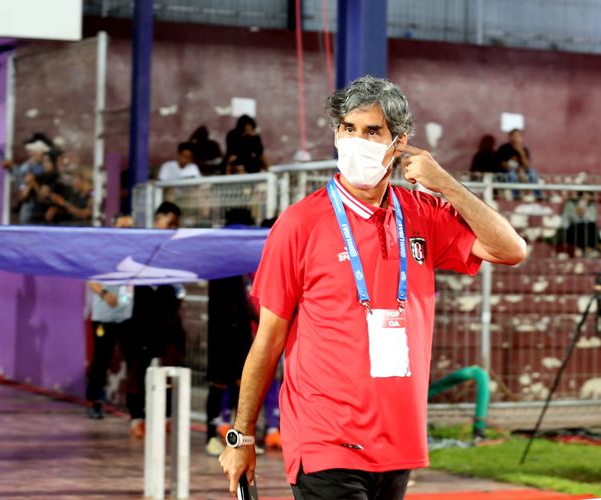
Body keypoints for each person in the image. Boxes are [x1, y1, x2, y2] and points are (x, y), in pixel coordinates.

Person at [218, 76, 526, 499]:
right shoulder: (299, 224)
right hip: (325, 441)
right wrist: (242, 437)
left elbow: (511, 249)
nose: (356, 140)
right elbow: (268, 340)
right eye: (348, 128)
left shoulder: (423, 213)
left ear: (397, 144)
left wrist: (446, 184)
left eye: (372, 131)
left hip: (399, 444)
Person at [126, 202, 186, 438]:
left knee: (171, 369)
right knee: (137, 370)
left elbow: (180, 288)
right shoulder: (139, 247)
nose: (172, 229)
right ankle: (136, 418)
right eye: (169, 223)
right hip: (141, 318)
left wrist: (174, 311)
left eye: (176, 226)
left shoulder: (176, 251)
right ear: (157, 219)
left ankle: (167, 417)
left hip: (167, 319)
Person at [205, 209, 258, 456]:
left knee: (241, 383)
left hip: (241, 332)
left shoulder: (243, 264)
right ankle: (210, 435)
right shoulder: (219, 262)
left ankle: (238, 440)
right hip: (221, 332)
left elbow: (245, 300)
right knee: (218, 383)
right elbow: (222, 304)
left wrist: (255, 317)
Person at [85, 213, 135, 419]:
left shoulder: (135, 253)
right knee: (101, 361)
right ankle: (94, 401)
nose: (126, 232)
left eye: (129, 228)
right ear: (113, 227)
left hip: (126, 316)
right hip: (104, 317)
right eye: (122, 227)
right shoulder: (103, 252)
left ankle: (136, 410)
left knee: (134, 360)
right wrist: (105, 294)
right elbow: (90, 278)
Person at [495, 129, 541, 198]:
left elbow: (527, 165)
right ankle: (516, 196)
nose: (516, 138)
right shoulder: (504, 148)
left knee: (532, 172)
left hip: (522, 172)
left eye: (519, 136)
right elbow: (501, 164)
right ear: (510, 137)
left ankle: (538, 196)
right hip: (509, 171)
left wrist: (521, 152)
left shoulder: (524, 149)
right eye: (514, 136)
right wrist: (516, 169)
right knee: (512, 174)